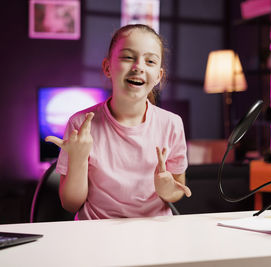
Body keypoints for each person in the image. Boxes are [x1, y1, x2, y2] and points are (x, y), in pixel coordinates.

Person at [45, 24, 191, 220]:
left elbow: (177, 191)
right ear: (107, 67)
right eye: (128, 57)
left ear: (158, 76)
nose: (138, 66)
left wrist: (167, 189)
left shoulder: (171, 124)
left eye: (149, 61)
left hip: (154, 235)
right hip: (96, 234)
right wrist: (79, 159)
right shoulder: (80, 124)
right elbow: (71, 204)